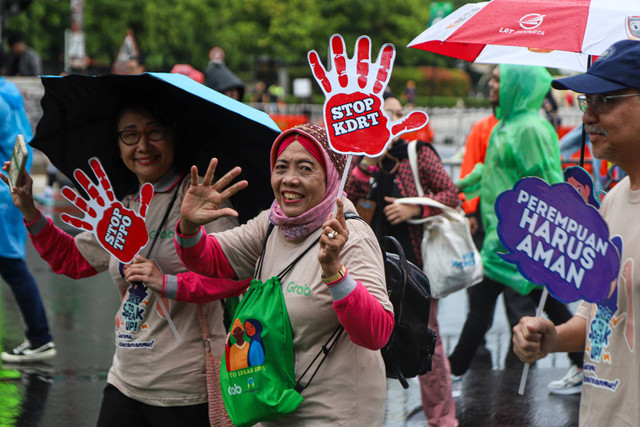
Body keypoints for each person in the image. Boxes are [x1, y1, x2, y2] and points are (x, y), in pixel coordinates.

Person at [2, 100, 243, 426]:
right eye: (129, 135)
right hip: (125, 381)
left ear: (174, 136)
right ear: (117, 144)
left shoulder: (199, 197)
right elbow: (72, 259)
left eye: (154, 132)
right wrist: (29, 209)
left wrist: (168, 282)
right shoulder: (124, 204)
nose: (142, 145)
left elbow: (234, 275)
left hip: (184, 388)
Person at [167, 123, 394, 425]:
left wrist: (335, 273)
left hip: (335, 411)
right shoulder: (274, 223)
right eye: (281, 166)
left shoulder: (352, 236)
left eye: (305, 168)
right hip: (274, 403)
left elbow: (376, 333)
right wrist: (191, 227)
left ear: (330, 177)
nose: (290, 179)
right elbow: (212, 259)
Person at [513, 39, 640, 426]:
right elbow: (597, 315)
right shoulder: (612, 201)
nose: (587, 118)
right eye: (587, 102)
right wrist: (551, 338)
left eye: (605, 100)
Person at [450, 64, 584, 389]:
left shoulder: (530, 129)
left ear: (517, 84)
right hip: (501, 240)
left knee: (497, 307)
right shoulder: (504, 125)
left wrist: (546, 233)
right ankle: (450, 374)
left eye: (499, 79)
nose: (492, 84)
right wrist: (451, 191)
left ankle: (451, 373)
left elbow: (546, 181)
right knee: (491, 307)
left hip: (519, 242)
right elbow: (491, 172)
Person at [345, 93, 460, 427]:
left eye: (396, 114)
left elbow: (450, 196)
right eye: (383, 114)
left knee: (425, 346)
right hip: (366, 268)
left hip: (414, 272)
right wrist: (366, 164)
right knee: (365, 347)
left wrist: (415, 207)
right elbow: (344, 203)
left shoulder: (417, 153)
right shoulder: (360, 160)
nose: (390, 121)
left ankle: (442, 420)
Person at [0, 77, 56, 363]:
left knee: (12, 267)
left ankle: (40, 336)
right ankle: (39, 336)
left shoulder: (1, 101)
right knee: (12, 267)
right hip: (7, 196)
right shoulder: (8, 96)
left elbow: (15, 153)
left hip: (2, 198)